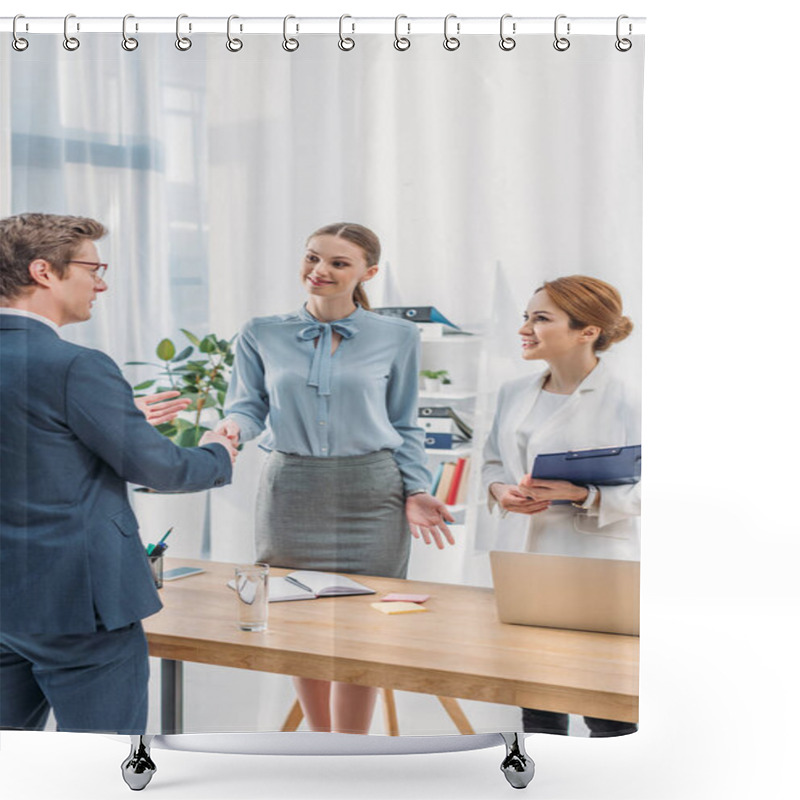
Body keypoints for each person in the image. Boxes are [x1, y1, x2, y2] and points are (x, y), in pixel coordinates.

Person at [0, 213, 238, 734]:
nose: (101, 283)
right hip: (78, 605)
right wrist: (218, 452)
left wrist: (117, 417)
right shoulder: (74, 365)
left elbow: (29, 440)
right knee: (103, 764)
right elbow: (160, 467)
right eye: (93, 267)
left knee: (8, 762)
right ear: (43, 271)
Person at [216, 222, 454, 734]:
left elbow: (405, 422)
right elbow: (248, 405)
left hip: (373, 492)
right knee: (296, 618)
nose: (319, 271)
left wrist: (415, 490)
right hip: (291, 489)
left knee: (365, 626)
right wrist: (233, 426)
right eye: (312, 258)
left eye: (338, 263)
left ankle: (353, 750)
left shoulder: (398, 335)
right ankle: (318, 744)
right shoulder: (261, 331)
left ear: (367, 273)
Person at [482, 274, 640, 737]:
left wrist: (582, 494)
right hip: (524, 560)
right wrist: (500, 492)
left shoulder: (629, 398)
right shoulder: (514, 392)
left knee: (604, 700)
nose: (524, 328)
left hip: (598, 565)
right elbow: (492, 462)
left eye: (541, 318)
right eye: (526, 317)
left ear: (586, 331)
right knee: (536, 695)